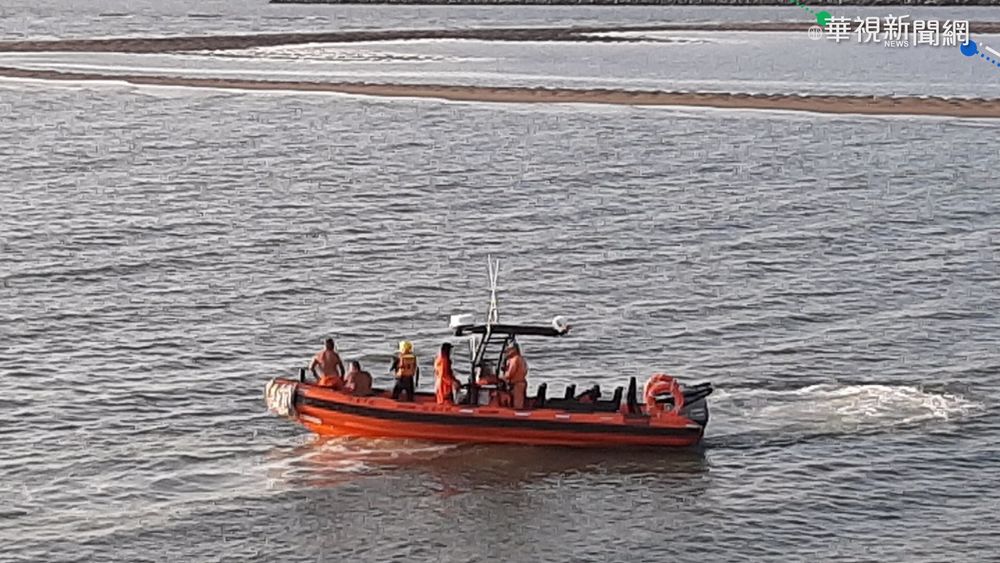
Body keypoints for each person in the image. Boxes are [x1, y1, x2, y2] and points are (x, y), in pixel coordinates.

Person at [502, 343, 529, 409]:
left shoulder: (515, 359)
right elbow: (525, 370)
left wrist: (502, 377)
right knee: (520, 402)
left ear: (514, 350)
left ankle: (518, 417)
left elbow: (510, 373)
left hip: (517, 384)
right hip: (521, 382)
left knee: (517, 405)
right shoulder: (521, 359)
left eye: (509, 350)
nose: (507, 352)